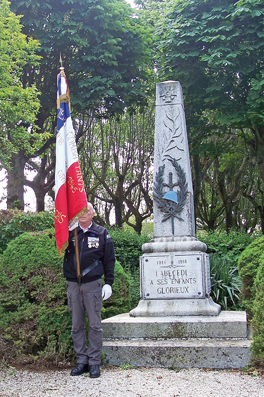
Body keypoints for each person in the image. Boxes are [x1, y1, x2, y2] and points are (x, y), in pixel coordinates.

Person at [63, 202, 115, 378]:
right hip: (73, 284)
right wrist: (66, 227)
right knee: (76, 324)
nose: (83, 213)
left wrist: (109, 282)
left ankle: (94, 362)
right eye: (80, 211)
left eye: (87, 211)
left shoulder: (101, 233)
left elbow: (109, 259)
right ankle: (82, 361)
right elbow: (57, 244)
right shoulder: (71, 233)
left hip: (92, 284)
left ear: (93, 214)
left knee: (94, 324)